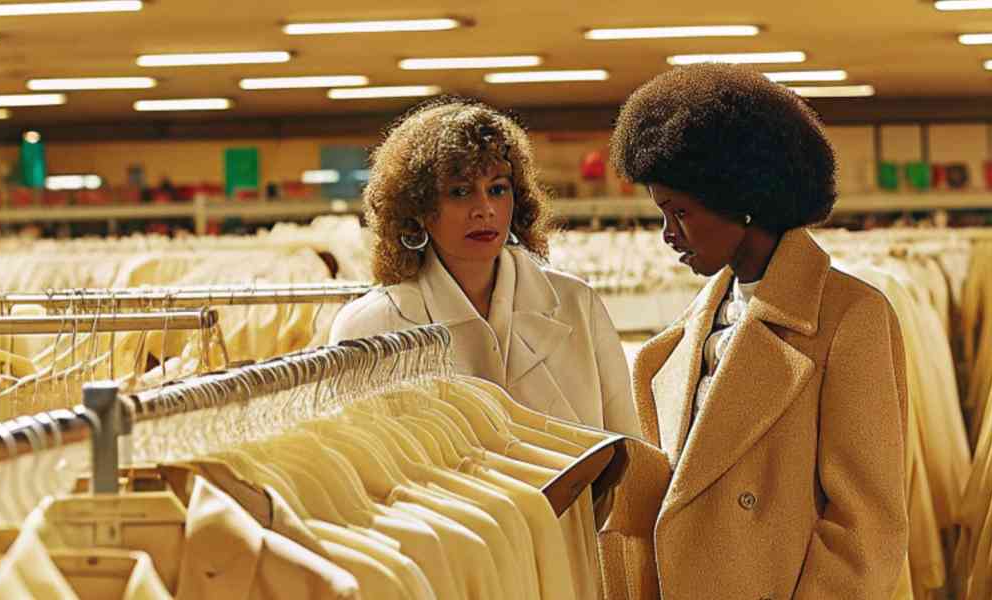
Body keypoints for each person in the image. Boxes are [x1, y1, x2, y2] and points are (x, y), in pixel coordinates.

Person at [610, 64, 910, 599]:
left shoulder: (848, 317)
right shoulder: (673, 347)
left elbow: (867, 529)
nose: (667, 234)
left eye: (680, 211)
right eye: (662, 212)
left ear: (740, 199)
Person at [329, 98, 638, 437]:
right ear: (415, 208)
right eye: (460, 191)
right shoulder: (370, 325)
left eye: (497, 189)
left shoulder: (577, 304)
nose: (485, 209)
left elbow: (631, 455)